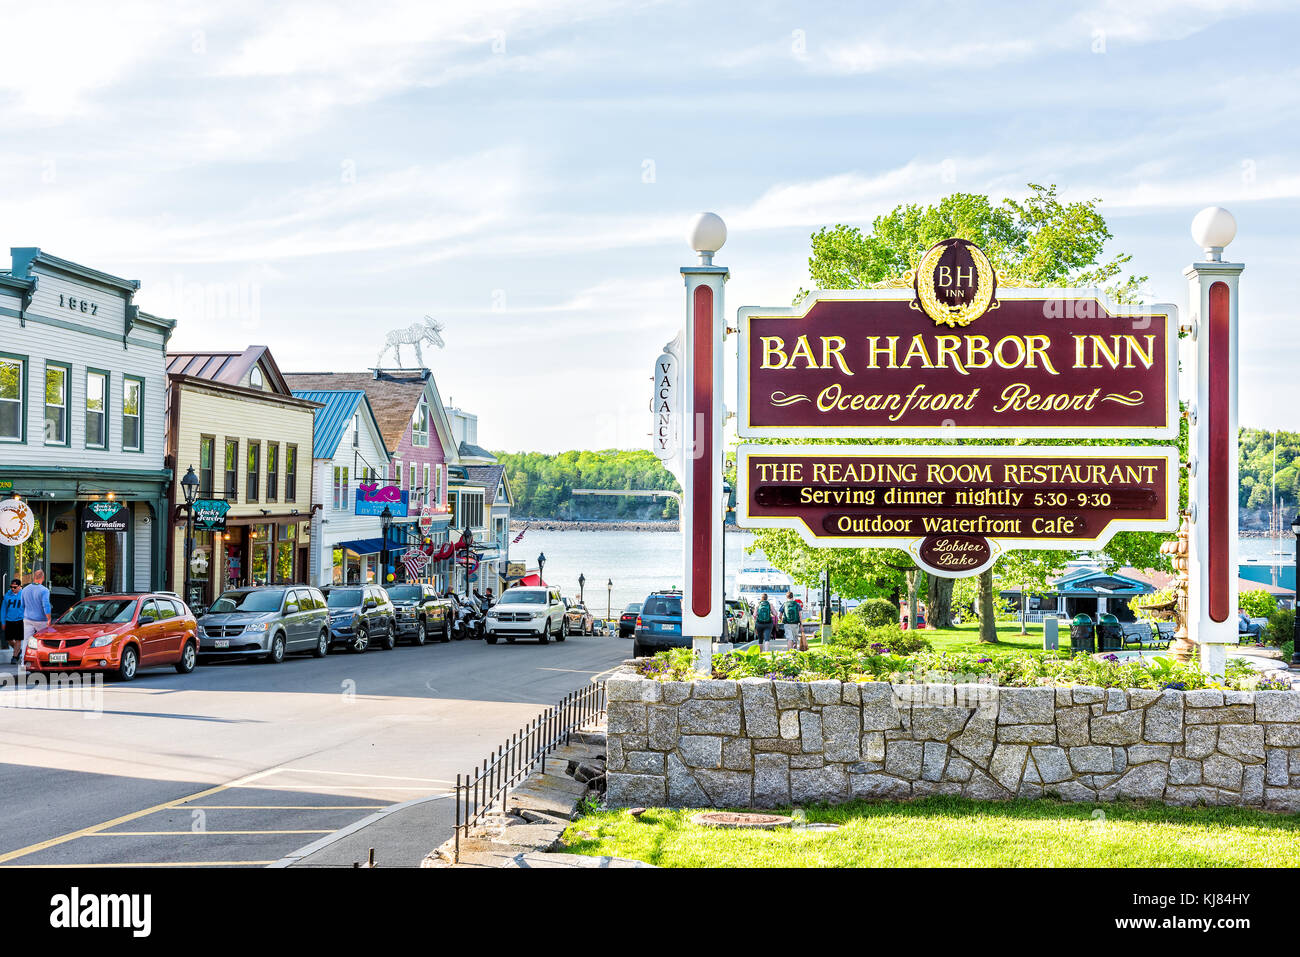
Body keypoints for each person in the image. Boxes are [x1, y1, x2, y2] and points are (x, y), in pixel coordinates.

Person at [20, 569, 52, 669]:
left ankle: (23, 663)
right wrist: (49, 619)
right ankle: (44, 662)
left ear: (34, 577)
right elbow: (46, 606)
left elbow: (22, 605)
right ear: (43, 578)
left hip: (27, 619)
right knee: (44, 641)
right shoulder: (44, 590)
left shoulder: (24, 590)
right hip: (41, 620)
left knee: (26, 641)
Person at [2, 579, 23, 664]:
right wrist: (3, 622)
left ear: (19, 587)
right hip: (9, 620)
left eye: (14, 587)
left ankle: (14, 657)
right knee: (9, 639)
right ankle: (18, 650)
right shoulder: (7, 595)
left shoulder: (24, 595)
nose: (12, 589)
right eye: (11, 587)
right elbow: (3, 609)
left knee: (18, 639)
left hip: (20, 619)